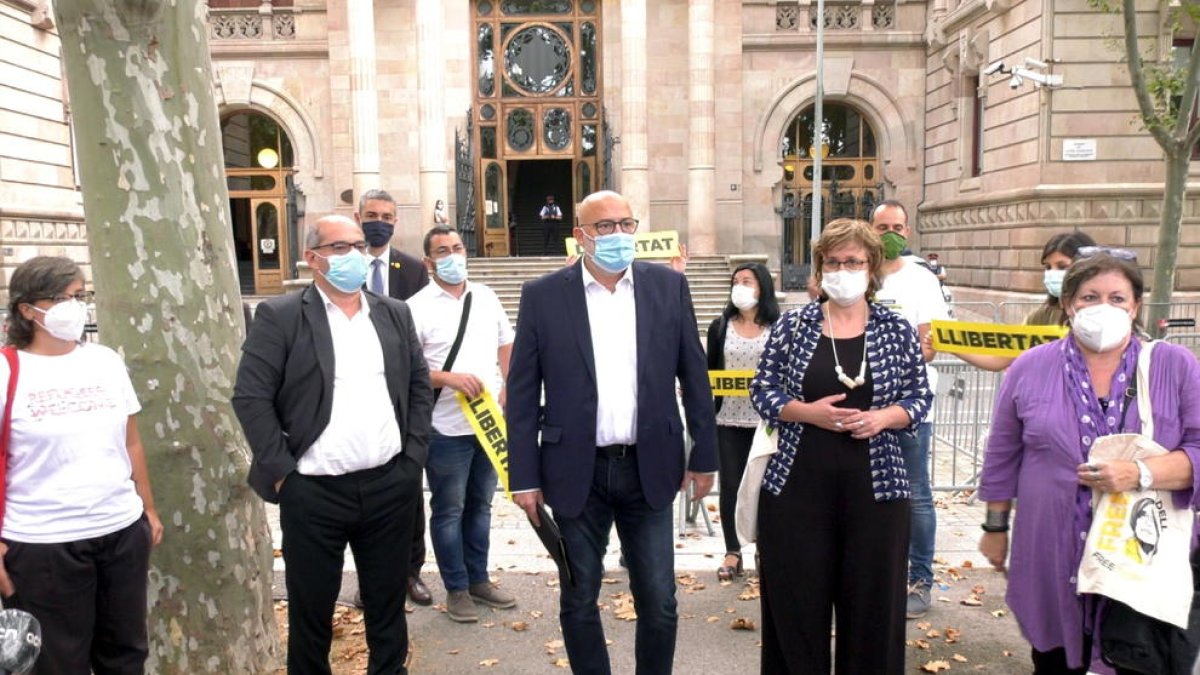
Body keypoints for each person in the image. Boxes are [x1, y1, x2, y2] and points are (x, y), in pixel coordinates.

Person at [507, 190, 718, 674]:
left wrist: (704, 454)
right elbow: (522, 393)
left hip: (651, 468)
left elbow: (694, 373)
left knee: (660, 602)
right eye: (605, 226)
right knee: (579, 600)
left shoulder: (667, 286)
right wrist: (523, 476)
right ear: (580, 236)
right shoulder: (542, 295)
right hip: (574, 472)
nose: (619, 234)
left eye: (627, 223)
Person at [977, 248, 1199, 674]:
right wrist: (994, 527)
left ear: (1135, 306)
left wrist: (1140, 472)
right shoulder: (1029, 368)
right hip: (1050, 548)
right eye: (1089, 297)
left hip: (1142, 556)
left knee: (1138, 658)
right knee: (1055, 657)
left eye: (1117, 298)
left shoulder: (1175, 367)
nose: (1103, 308)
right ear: (1068, 305)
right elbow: (1003, 454)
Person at [232, 215, 433, 674]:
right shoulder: (281, 315)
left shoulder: (394, 313)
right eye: (340, 248)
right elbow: (250, 396)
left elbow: (419, 388)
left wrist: (413, 458)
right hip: (313, 492)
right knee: (311, 612)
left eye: (358, 245)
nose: (354, 256)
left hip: (389, 486)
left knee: (386, 607)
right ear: (313, 258)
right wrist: (285, 474)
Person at [749, 218, 932, 674]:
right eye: (833, 261)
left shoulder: (894, 328)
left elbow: (919, 396)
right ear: (820, 268)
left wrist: (883, 418)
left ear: (871, 269)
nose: (842, 270)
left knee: (873, 615)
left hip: (877, 493)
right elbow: (762, 390)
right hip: (796, 489)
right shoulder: (794, 325)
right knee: (795, 615)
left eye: (853, 261)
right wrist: (807, 412)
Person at [0, 256, 163, 674]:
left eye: (81, 295)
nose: (78, 306)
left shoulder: (104, 361)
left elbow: (130, 440)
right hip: (42, 544)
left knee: (126, 653)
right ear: (26, 309)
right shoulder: (6, 370)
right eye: (65, 297)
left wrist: (147, 510)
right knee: (57, 663)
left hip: (120, 532)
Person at [407, 226, 516, 623]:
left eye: (457, 247)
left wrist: (509, 386)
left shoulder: (486, 297)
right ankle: (456, 588)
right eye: (442, 250)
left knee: (481, 506)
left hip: (488, 424)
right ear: (428, 261)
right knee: (449, 509)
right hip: (444, 428)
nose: (452, 255)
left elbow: (507, 343)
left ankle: (479, 579)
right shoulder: (416, 307)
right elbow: (408, 366)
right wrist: (448, 378)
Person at [355, 188, 434, 606]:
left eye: (386, 215)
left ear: (396, 221)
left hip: (401, 394)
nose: (379, 221)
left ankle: (410, 572)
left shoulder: (413, 269)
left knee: (407, 488)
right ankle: (369, 576)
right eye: (372, 214)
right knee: (361, 491)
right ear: (358, 215)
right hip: (356, 393)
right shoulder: (348, 266)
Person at [870, 199, 949, 619]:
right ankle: (876, 575)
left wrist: (887, 368)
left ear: (909, 231)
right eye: (882, 227)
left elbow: (930, 346)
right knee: (869, 495)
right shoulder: (860, 275)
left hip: (908, 407)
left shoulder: (921, 281)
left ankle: (919, 579)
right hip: (861, 408)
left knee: (915, 495)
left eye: (897, 227)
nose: (890, 235)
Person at [705, 262, 779, 581]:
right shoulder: (720, 326)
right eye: (736, 281)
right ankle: (732, 551)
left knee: (766, 488)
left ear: (761, 286)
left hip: (767, 423)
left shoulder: (778, 326)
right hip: (727, 420)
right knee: (731, 487)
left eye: (747, 280)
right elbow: (710, 370)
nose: (740, 286)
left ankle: (767, 548)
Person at [948, 231, 1098, 373]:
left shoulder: (1102, 317)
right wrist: (947, 340)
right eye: (1048, 267)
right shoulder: (1040, 317)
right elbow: (1000, 358)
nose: (1052, 273)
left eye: (1062, 266)